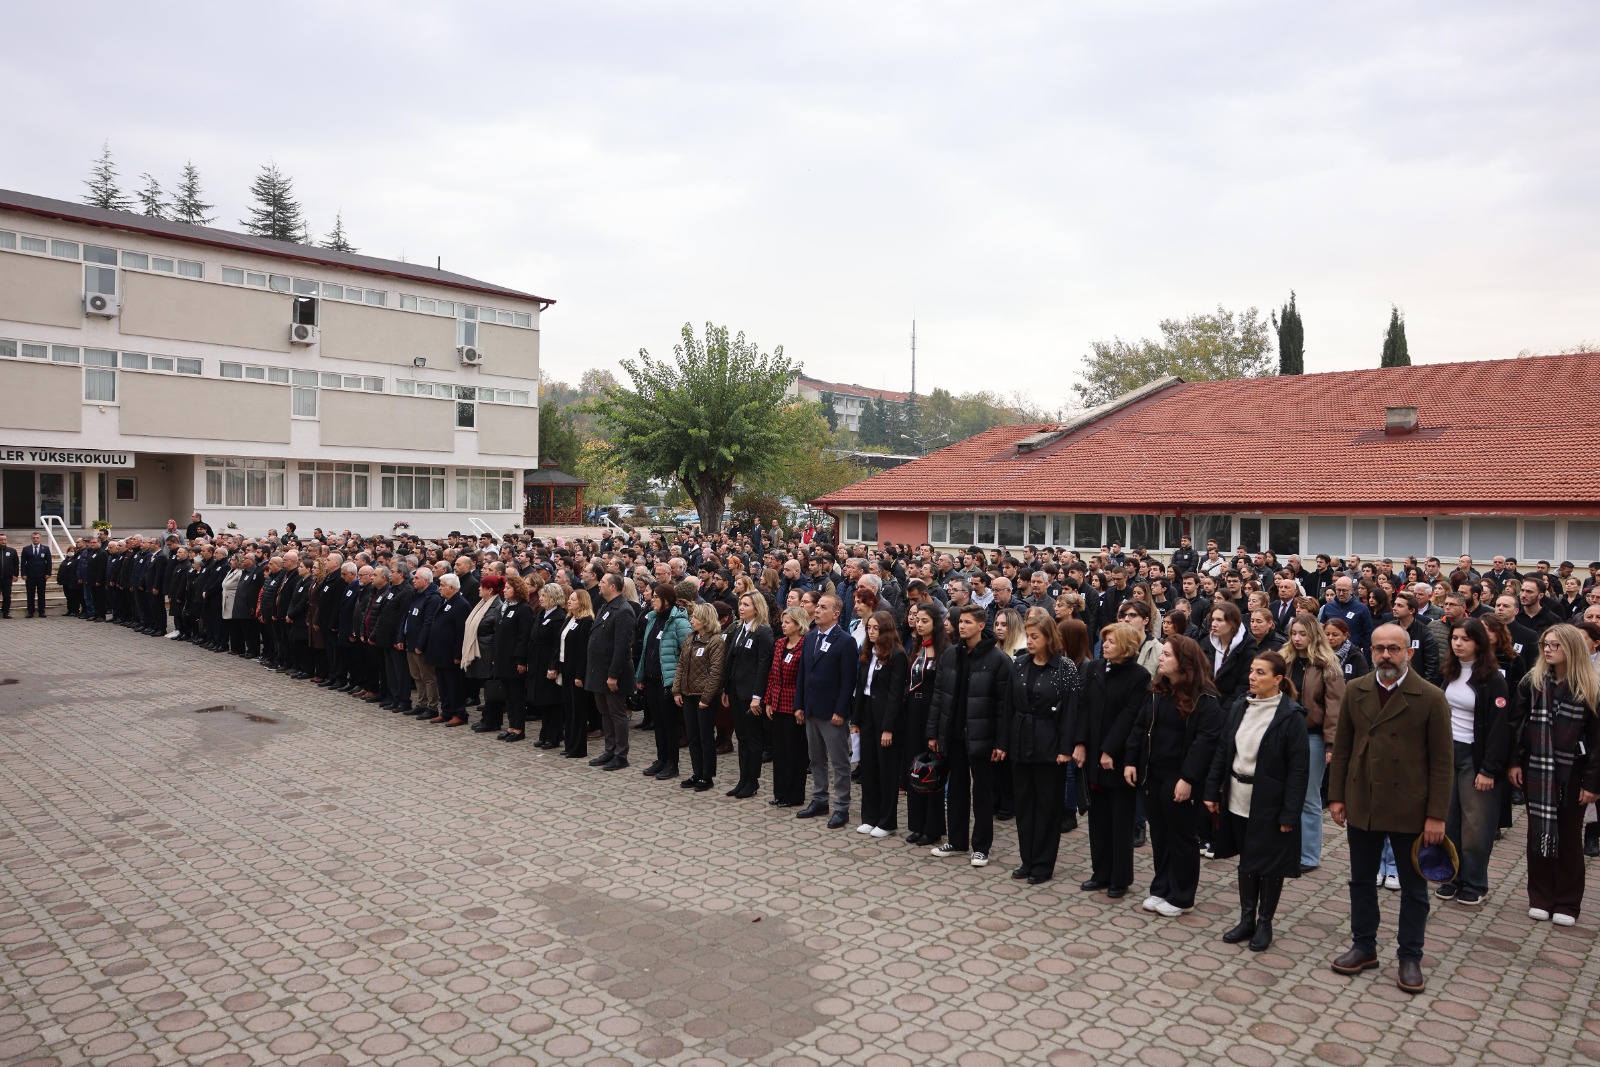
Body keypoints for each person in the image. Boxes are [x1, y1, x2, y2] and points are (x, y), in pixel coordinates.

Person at [1328, 622, 1453, 995]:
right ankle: (1364, 946)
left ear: (1408, 653)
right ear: (1370, 650)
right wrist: (1337, 796)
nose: (1386, 655)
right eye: (1379, 648)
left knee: (1414, 888)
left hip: (1410, 807)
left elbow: (1443, 763)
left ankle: (1410, 955)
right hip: (1363, 801)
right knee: (1361, 880)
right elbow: (1343, 746)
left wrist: (1436, 815)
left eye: (1393, 649)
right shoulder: (1356, 690)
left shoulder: (1430, 697)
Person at [1204, 651, 1310, 952]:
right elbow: (1224, 751)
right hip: (1238, 796)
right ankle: (1246, 918)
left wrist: (1290, 814)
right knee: (1248, 860)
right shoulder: (1240, 707)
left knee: (1269, 864)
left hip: (1270, 803)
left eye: (1260, 672)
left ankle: (1265, 922)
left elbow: (1298, 771)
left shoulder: (1291, 716)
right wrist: (1212, 791)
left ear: (1278, 679)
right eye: (1252, 671)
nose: (1252, 677)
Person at [1508, 623, 1600, 925]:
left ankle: (1567, 902)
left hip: (1573, 771)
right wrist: (1515, 762)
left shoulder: (1590, 688)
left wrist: (1592, 782)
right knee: (1538, 832)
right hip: (1536, 769)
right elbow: (1516, 726)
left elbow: (1597, 741)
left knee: (1570, 837)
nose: (1547, 649)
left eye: (1555, 645)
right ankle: (1541, 897)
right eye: (1545, 644)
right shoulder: (1532, 683)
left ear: (1571, 649)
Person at [1125, 635, 1223, 917]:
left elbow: (1205, 742)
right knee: (1160, 833)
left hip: (1179, 777)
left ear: (1185, 661)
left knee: (1181, 836)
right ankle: (1161, 887)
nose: (1161, 658)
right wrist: (1131, 760)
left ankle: (1182, 896)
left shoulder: (1205, 697)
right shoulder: (1158, 690)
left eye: (1167, 654)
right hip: (1152, 773)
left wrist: (1188, 778)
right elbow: (1140, 726)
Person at [1434, 618, 1511, 907]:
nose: (1457, 643)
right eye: (1454, 638)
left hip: (1476, 758)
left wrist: (1489, 769)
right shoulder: (1450, 672)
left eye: (1464, 639)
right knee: (1449, 820)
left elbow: (1499, 728)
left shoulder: (1493, 679)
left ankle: (1475, 881)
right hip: (1448, 754)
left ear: (1478, 642)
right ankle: (1451, 877)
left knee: (1476, 825)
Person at [929, 604, 1013, 867]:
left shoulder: (998, 660)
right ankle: (956, 840)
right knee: (956, 789)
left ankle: (981, 847)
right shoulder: (950, 655)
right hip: (954, 735)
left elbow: (1003, 706)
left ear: (980, 625)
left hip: (982, 737)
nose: (961, 626)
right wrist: (934, 732)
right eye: (960, 621)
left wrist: (1001, 741)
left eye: (967, 622)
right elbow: (939, 697)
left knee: (983, 793)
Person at [1002, 608, 1079, 884]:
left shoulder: (1065, 667)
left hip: (1050, 742)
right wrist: (1004, 742)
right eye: (1027, 636)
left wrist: (1065, 748)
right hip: (1021, 739)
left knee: (1047, 806)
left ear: (1049, 637)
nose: (1029, 641)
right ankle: (1027, 859)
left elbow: (1071, 711)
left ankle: (1044, 864)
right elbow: (1008, 705)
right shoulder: (1019, 663)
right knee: (1024, 804)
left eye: (1035, 636)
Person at [1074, 622, 1151, 898]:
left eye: (1111, 642)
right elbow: (1083, 705)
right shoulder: (1094, 668)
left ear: (1127, 646)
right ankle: (1100, 872)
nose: (1104, 645)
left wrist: (1110, 750)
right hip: (1093, 752)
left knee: (1120, 820)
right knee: (1098, 818)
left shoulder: (1139, 676)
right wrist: (1081, 743)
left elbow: (1130, 716)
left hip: (1119, 758)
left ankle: (1120, 878)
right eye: (1104, 641)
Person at [1283, 614, 1344, 873]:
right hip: (1285, 734)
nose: (1297, 639)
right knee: (1284, 793)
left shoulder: (1327, 664)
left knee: (1309, 796)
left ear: (1313, 635)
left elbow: (1335, 708)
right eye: (1294, 633)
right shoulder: (1283, 659)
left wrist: (1332, 744)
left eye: (1302, 634)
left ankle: (1309, 855)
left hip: (1314, 736)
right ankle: (1286, 848)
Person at [795, 594, 858, 829]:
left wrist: (841, 710)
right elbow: (803, 675)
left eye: (823, 607)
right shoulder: (810, 638)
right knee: (816, 759)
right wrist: (799, 705)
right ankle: (820, 799)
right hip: (811, 709)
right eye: (817, 606)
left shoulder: (845, 641)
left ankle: (842, 806)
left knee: (840, 762)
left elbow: (848, 680)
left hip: (832, 712)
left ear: (835, 613)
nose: (817, 610)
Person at [853, 609, 908, 837]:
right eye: (869, 628)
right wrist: (855, 720)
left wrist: (888, 728)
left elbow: (896, 695)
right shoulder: (868, 652)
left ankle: (887, 822)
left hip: (885, 718)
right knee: (869, 768)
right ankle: (870, 817)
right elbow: (860, 687)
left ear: (886, 630)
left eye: (876, 628)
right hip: (867, 715)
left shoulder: (896, 656)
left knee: (886, 771)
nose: (871, 632)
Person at [904, 602, 949, 846]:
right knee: (914, 766)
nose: (919, 625)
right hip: (914, 711)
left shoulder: (945, 651)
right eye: (917, 620)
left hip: (933, 712)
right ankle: (917, 824)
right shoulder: (917, 648)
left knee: (931, 768)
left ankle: (933, 828)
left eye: (924, 621)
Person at [723, 591, 776, 799]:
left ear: (757, 607)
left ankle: (752, 781)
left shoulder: (763, 632)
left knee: (753, 740)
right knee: (742, 738)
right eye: (740, 604)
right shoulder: (739, 629)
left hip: (751, 693)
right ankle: (742, 779)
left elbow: (764, 666)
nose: (741, 608)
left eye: (746, 604)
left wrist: (757, 696)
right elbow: (732, 660)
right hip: (736, 690)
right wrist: (726, 688)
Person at [637, 583, 691, 780]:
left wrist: (677, 684)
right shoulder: (653, 619)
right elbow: (646, 650)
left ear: (667, 600)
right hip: (651, 680)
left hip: (668, 682)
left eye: (656, 598)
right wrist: (640, 675)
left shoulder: (679, 622)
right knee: (658, 723)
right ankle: (661, 759)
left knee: (669, 724)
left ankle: (672, 763)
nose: (652, 600)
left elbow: (686, 654)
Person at [672, 602, 727, 791]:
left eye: (695, 617)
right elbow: (681, 665)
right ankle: (697, 773)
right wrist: (676, 690)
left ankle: (707, 776)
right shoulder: (690, 637)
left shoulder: (716, 641)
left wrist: (706, 697)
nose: (691, 619)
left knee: (706, 737)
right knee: (693, 736)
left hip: (704, 697)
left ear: (705, 620)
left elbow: (716, 672)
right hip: (688, 694)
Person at [586, 574, 637, 770]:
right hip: (599, 671)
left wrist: (614, 674)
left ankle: (621, 754)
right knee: (604, 713)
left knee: (616, 714)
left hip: (613, 673)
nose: (600, 585)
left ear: (613, 587)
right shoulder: (606, 606)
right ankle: (609, 750)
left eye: (603, 583)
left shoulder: (623, 610)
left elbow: (622, 647)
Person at [763, 605, 811, 808]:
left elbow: (805, 679)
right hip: (777, 703)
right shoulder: (780, 644)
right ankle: (780, 793)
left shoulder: (806, 645)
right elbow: (773, 675)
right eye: (782, 622)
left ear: (799, 624)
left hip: (794, 706)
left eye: (787, 622)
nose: (783, 625)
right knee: (780, 752)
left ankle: (794, 795)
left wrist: (801, 706)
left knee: (795, 752)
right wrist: (768, 700)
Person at [486, 575, 534, 741]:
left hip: (514, 660)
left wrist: (521, 660)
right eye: (504, 588)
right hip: (502, 658)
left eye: (508, 588)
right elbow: (498, 634)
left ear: (517, 590)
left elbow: (524, 636)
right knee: (507, 696)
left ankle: (519, 728)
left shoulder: (523, 609)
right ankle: (511, 725)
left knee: (516, 695)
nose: (504, 591)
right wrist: (494, 656)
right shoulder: (503, 608)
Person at [461, 574, 507, 731]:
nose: (479, 589)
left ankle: (492, 720)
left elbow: (498, 634)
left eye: (482, 587)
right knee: (486, 687)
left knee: (491, 688)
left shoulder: (497, 607)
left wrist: (495, 657)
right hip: (480, 650)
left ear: (490, 590)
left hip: (488, 652)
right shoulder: (482, 603)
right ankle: (487, 717)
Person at [425, 573, 471, 727]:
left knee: (454, 685)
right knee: (443, 685)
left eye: (443, 585)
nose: (440, 588)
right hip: (440, 653)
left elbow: (461, 633)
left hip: (451, 654)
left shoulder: (461, 604)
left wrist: (458, 654)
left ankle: (459, 713)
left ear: (452, 588)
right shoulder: (446, 601)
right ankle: (446, 711)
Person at [529, 583, 568, 747]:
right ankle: (544, 733)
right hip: (537, 661)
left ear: (553, 597)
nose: (541, 599)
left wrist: (554, 666)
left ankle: (554, 735)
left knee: (552, 701)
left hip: (548, 663)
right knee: (543, 701)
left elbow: (557, 645)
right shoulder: (543, 613)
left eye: (544, 596)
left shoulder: (559, 616)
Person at [560, 589, 595, 759]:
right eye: (570, 599)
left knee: (578, 711)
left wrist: (580, 675)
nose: (569, 601)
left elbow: (583, 651)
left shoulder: (586, 621)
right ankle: (569, 744)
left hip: (576, 672)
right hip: (565, 669)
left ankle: (578, 748)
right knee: (568, 709)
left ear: (582, 602)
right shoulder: (569, 618)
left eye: (573, 600)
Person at [20, 532, 52, 618]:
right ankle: (30, 611)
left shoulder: (45, 549)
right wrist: (23, 574)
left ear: (40, 538)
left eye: (37, 538)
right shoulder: (26, 549)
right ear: (31, 539)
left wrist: (48, 573)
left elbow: (49, 562)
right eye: (34, 538)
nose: (36, 539)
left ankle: (42, 611)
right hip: (30, 576)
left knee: (41, 594)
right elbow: (23, 563)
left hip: (42, 576)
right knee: (30, 594)